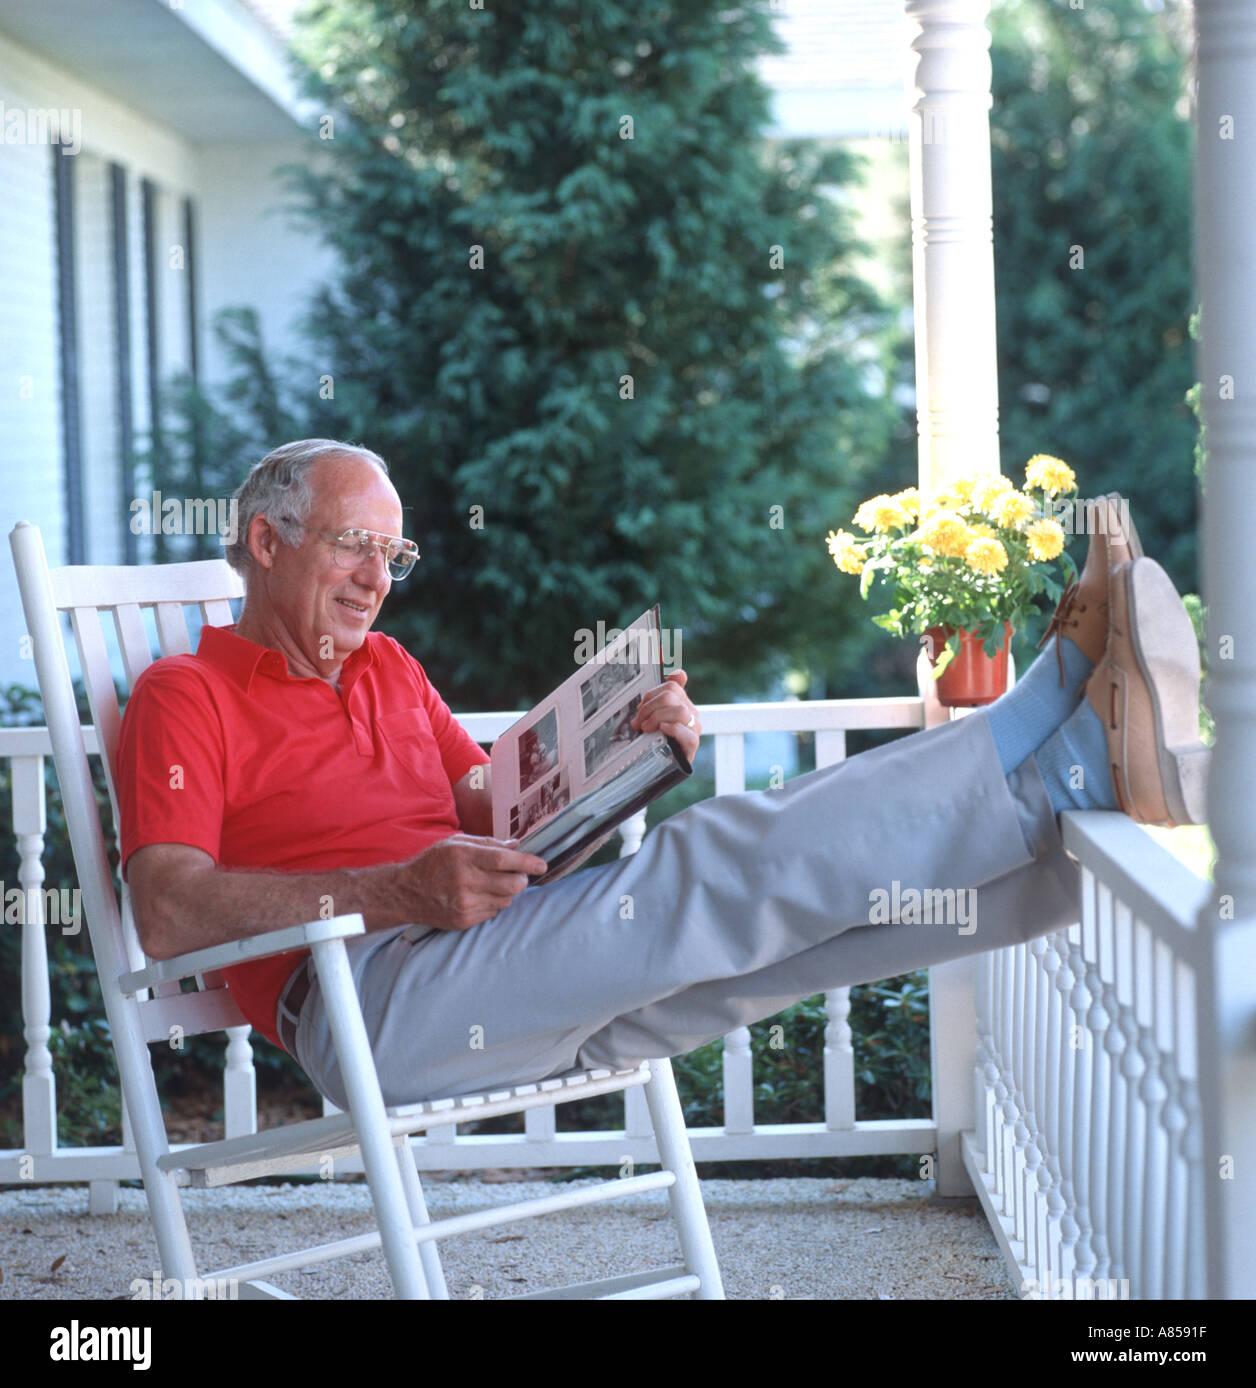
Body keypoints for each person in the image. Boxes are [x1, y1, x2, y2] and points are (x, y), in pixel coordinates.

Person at [116, 439, 1209, 1110]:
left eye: (393, 557)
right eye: (354, 546)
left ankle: (1074, 791)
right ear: (266, 541)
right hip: (377, 1009)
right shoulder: (186, 693)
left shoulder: (390, 668)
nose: (375, 581)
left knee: (788, 941)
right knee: (711, 865)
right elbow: (165, 909)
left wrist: (630, 756)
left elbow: (493, 821)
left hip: (489, 967)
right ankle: (1047, 724)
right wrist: (391, 892)